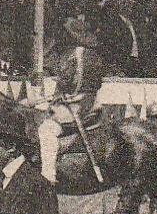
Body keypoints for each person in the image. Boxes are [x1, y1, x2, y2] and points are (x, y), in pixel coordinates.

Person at [38, 15, 107, 185]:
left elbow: (65, 83)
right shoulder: (95, 56)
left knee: (46, 129)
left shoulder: (73, 56)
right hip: (91, 103)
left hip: (76, 105)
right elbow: (96, 83)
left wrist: (56, 97)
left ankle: (48, 174)